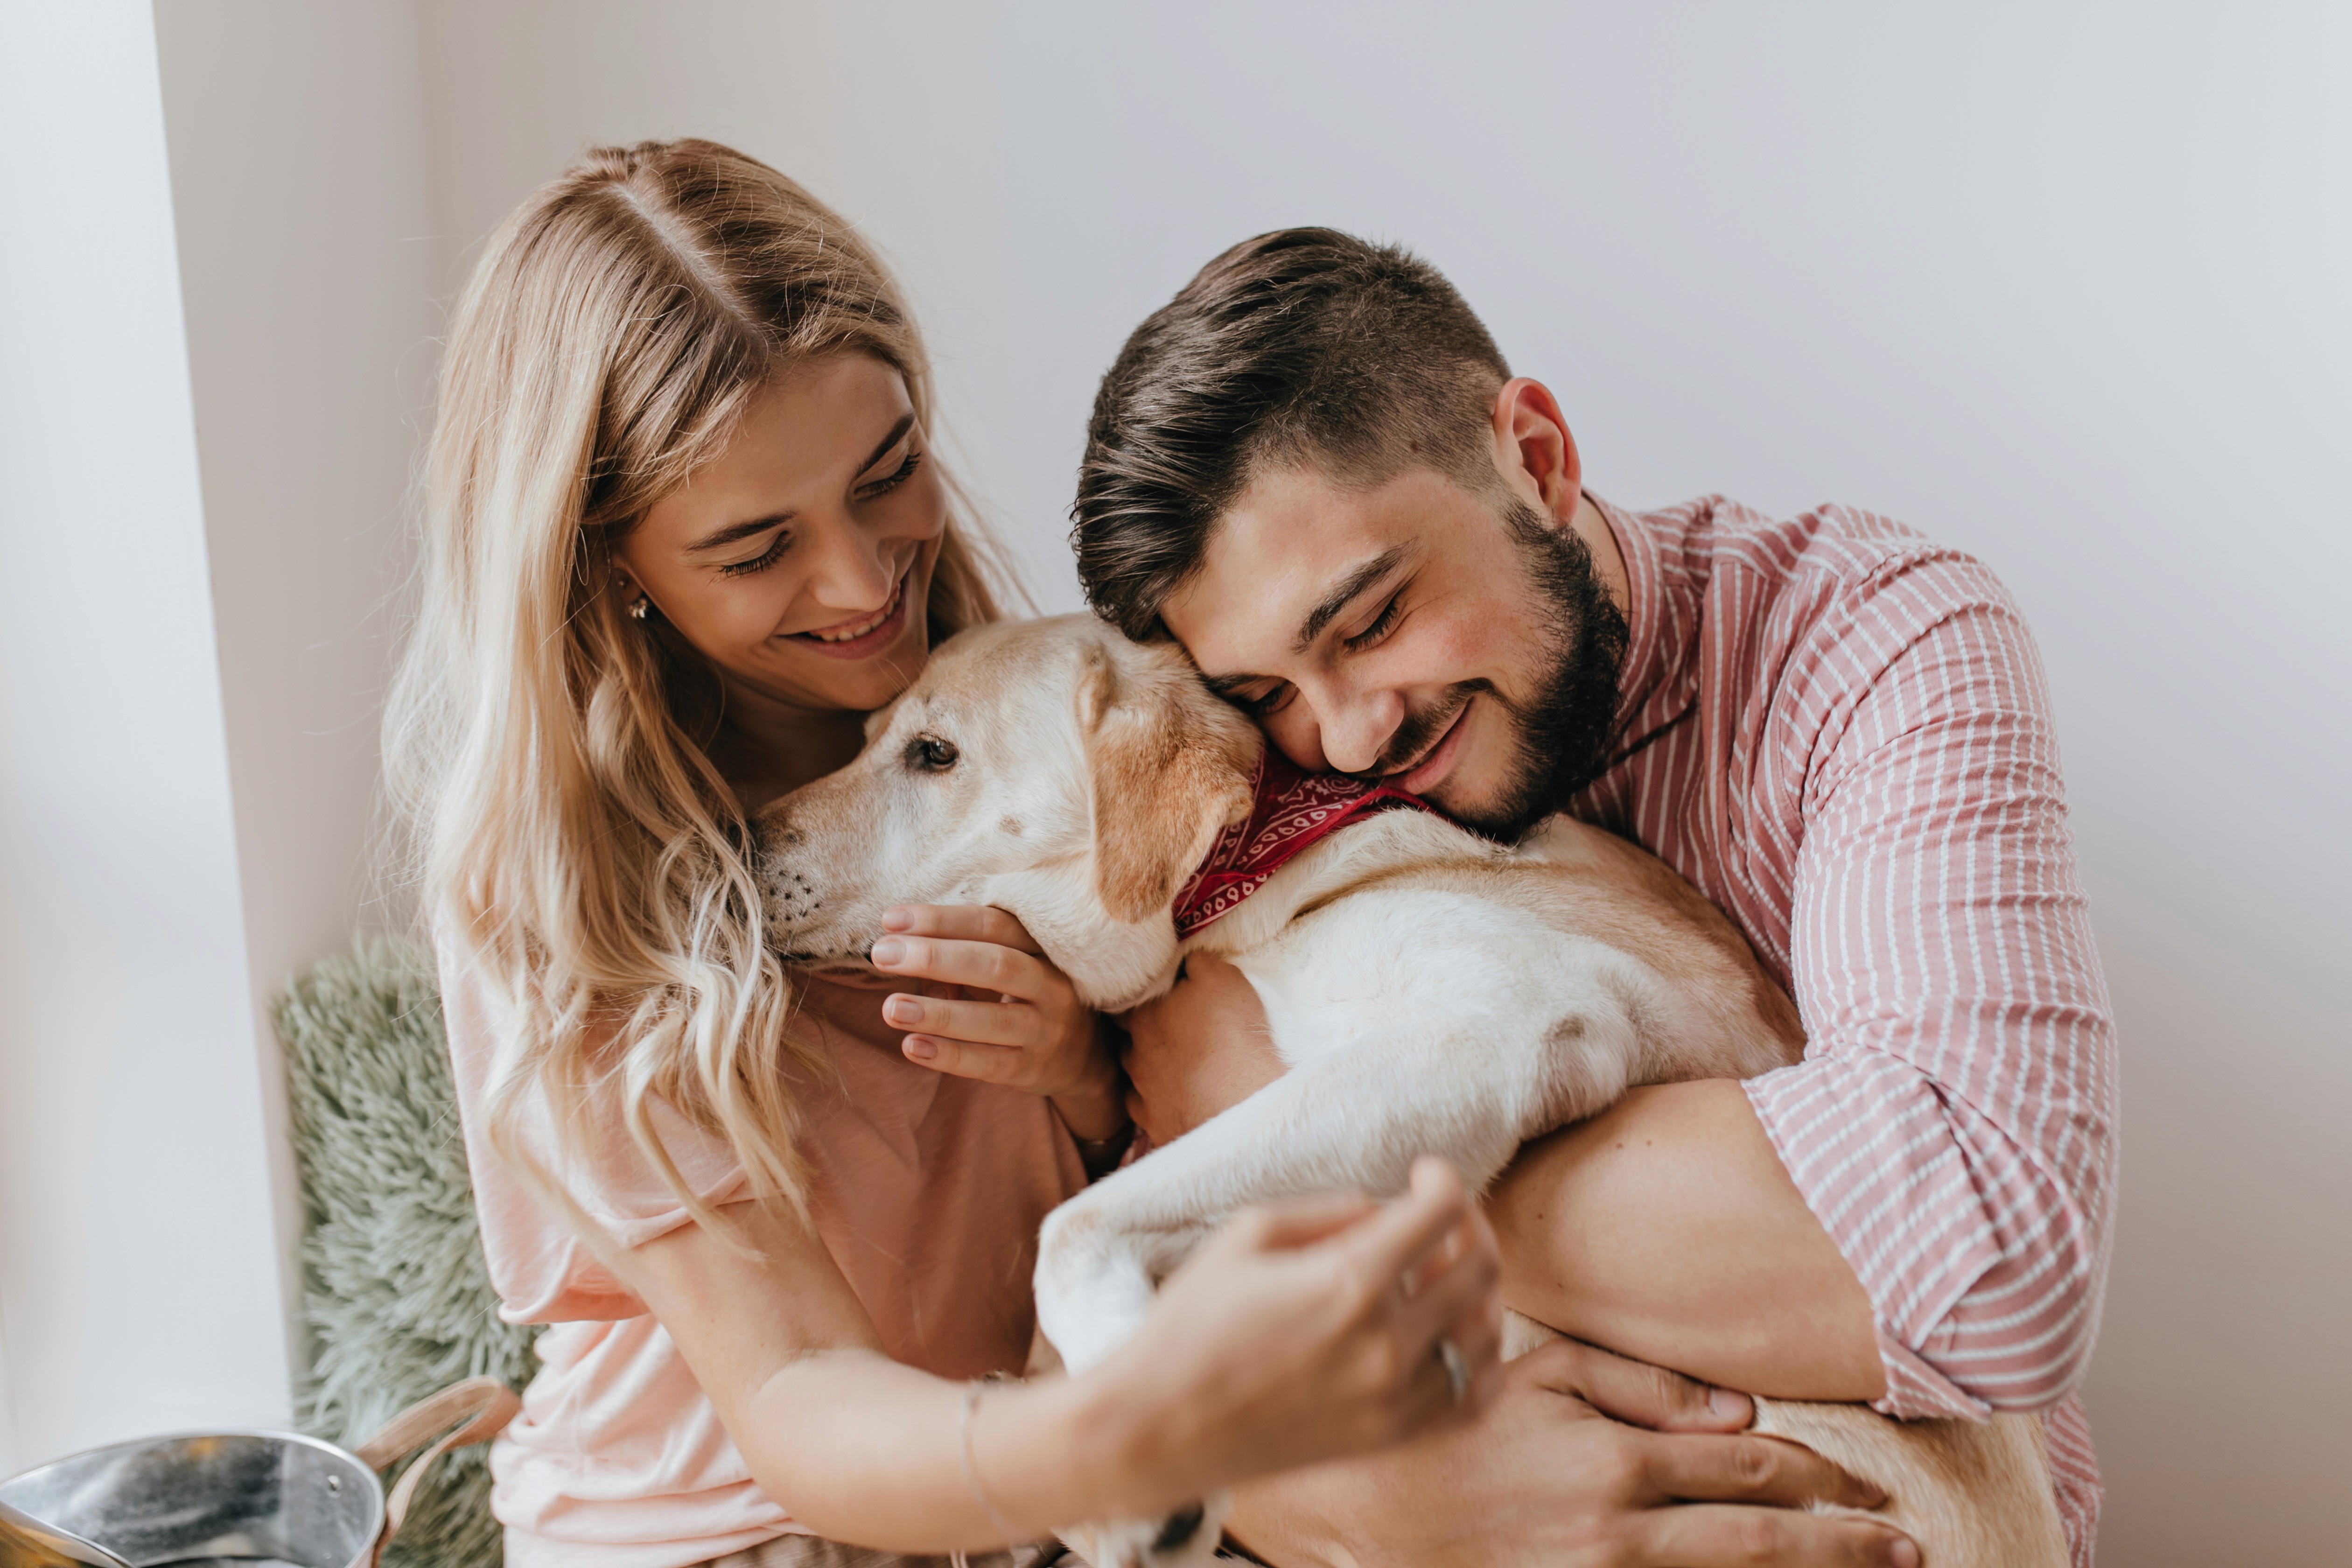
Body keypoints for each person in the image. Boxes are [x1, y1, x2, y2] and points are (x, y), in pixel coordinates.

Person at [386, 142, 1515, 1568]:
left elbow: (1178, 1126)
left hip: (1042, 1477)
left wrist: (1084, 1074)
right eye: (754, 550)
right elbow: (794, 1394)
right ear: (607, 563)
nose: (864, 583)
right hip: (732, 1529)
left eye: (889, 470)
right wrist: (1135, 1435)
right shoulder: (560, 893)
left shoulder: (1034, 719)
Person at [1069, 230, 2117, 1568]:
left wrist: (1284, 1114)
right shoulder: (1251, 801)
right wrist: (1371, 1506)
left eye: (1372, 619)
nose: (1340, 740)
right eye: (1267, 689)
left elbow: (1987, 1266)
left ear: (1540, 460)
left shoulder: (1872, 645)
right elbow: (1110, 1349)